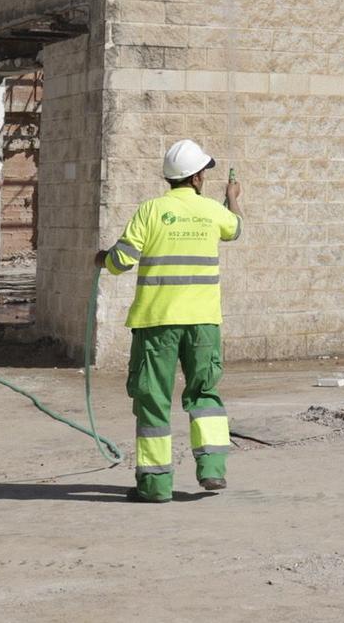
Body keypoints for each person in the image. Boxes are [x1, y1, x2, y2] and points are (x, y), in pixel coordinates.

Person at [97, 138, 245, 503]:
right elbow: (236, 227)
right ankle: (212, 470)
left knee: (153, 401)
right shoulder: (212, 211)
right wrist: (233, 197)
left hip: (157, 323)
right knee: (205, 394)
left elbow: (121, 261)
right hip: (203, 324)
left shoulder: (150, 211)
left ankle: (155, 486)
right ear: (196, 178)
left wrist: (101, 259)